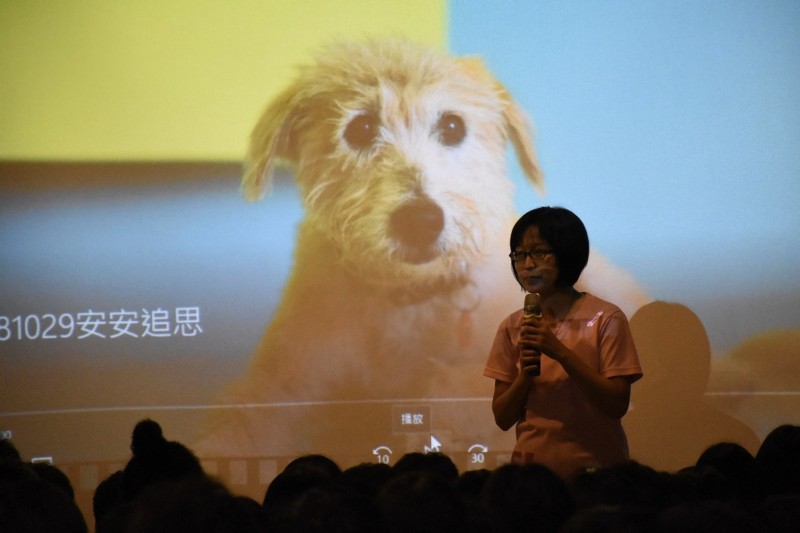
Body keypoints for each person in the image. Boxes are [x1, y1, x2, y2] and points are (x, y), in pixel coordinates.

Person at [484, 206, 643, 478]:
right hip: (531, 475)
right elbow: (502, 418)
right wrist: (525, 376)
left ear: (568, 253)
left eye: (539, 252)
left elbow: (616, 404)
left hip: (598, 474)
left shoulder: (607, 318)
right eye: (520, 254)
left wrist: (559, 352)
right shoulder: (512, 326)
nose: (528, 264)